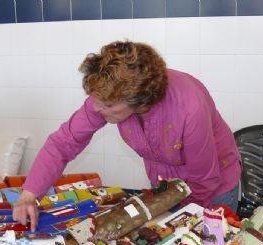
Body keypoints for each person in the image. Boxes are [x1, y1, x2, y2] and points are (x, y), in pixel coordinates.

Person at [13, 41, 242, 230]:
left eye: (109, 105)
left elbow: (204, 179)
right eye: (96, 100)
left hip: (212, 189)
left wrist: (182, 223)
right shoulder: (105, 98)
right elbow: (63, 143)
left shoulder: (189, 108)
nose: (97, 109)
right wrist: (28, 195)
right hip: (165, 186)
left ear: (141, 101)